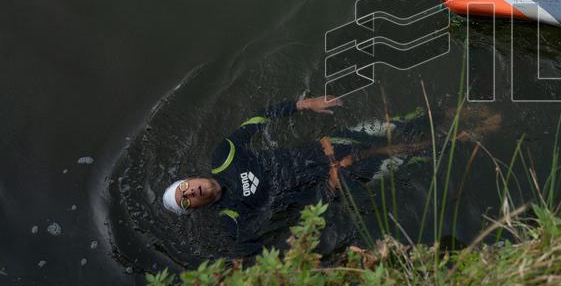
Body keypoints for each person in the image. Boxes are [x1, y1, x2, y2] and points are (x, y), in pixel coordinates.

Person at [161, 95, 445, 253]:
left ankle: (466, 113)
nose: (190, 192)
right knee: (419, 153)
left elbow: (259, 119)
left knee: (415, 121)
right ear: (194, 208)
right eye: (185, 200)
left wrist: (304, 105)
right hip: (341, 180)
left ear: (189, 178)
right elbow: (267, 243)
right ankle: (466, 137)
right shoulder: (232, 219)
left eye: (184, 187)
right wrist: (331, 191)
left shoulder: (224, 156)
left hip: (331, 145)